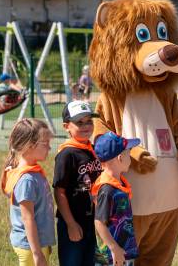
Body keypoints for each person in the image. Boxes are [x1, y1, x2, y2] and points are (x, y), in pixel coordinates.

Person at [0, 118, 55, 266]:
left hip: (37, 244)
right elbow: (28, 219)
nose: (49, 148)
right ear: (30, 146)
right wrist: (37, 254)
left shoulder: (33, 172)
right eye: (46, 144)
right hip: (30, 247)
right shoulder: (27, 180)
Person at [53, 100, 102, 266]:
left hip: (91, 221)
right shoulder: (67, 154)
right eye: (79, 122)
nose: (86, 126)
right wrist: (71, 223)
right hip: (72, 221)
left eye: (89, 121)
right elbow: (59, 191)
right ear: (66, 126)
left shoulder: (93, 150)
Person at [91, 132, 140, 266]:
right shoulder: (107, 190)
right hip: (112, 257)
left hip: (122, 252)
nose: (130, 157)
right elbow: (99, 222)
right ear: (120, 158)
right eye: (128, 153)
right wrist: (114, 248)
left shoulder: (118, 185)